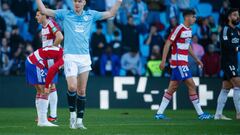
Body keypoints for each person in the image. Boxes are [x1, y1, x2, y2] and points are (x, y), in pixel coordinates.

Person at [36, 0, 123, 129]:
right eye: (75, 1)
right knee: (72, 87)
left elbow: (111, 13)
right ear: (73, 2)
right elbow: (44, 11)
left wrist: (119, 1)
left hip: (84, 57)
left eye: (80, 1)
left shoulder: (91, 15)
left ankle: (79, 121)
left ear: (84, 3)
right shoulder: (65, 14)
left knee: (82, 90)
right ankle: (72, 114)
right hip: (70, 56)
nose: (77, 3)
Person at [155, 9, 213, 120]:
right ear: (187, 17)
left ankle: (159, 113)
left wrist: (196, 59)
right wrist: (163, 61)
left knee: (172, 88)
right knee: (192, 85)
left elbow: (188, 46)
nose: (195, 19)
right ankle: (201, 114)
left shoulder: (189, 30)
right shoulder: (179, 28)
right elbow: (168, 43)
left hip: (182, 62)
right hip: (179, 63)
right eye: (193, 17)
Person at [35, 10, 64, 122]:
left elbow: (60, 37)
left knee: (48, 86)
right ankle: (51, 115)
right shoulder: (43, 26)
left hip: (52, 58)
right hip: (48, 58)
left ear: (44, 15)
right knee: (50, 86)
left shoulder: (50, 23)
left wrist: (51, 50)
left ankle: (51, 115)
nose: (36, 17)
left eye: (38, 15)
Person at [25, 46, 63, 127]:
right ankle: (43, 121)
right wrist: (46, 86)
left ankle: (41, 119)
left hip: (30, 61)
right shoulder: (65, 58)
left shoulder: (61, 52)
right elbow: (52, 70)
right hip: (36, 63)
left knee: (40, 91)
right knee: (45, 91)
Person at [215, 8, 240, 120]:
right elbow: (225, 44)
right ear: (229, 17)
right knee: (238, 85)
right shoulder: (225, 29)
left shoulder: (237, 31)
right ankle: (239, 113)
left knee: (225, 88)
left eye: (238, 15)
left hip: (234, 61)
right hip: (227, 61)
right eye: (235, 15)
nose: (237, 17)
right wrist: (237, 48)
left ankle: (218, 115)